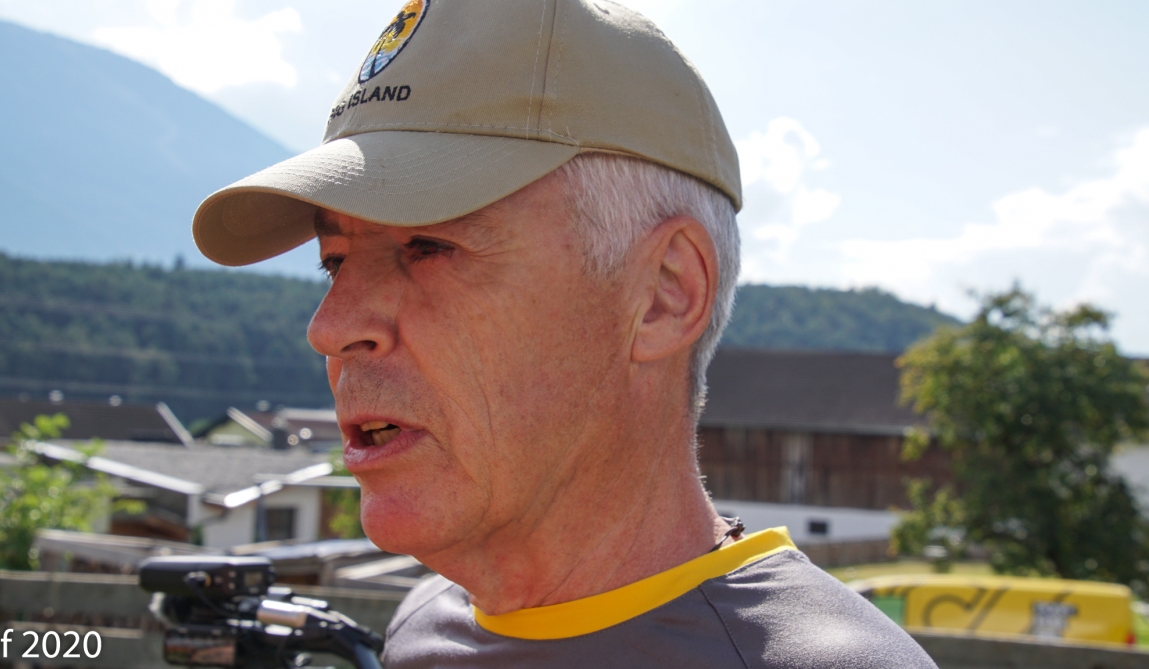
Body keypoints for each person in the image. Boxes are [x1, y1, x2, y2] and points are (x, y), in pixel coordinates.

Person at [192, 1, 938, 666]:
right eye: (334, 261)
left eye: (429, 246)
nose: (330, 328)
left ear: (664, 294)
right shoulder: (423, 627)